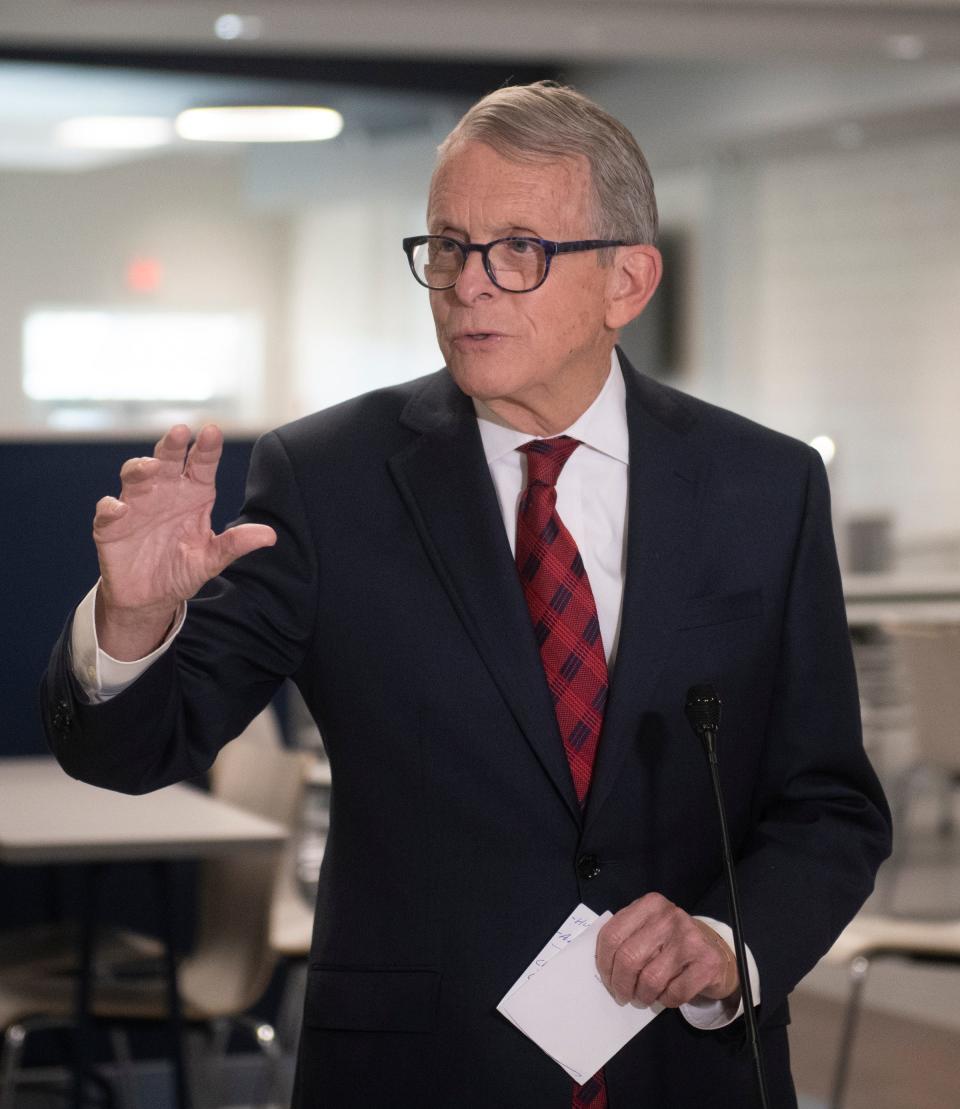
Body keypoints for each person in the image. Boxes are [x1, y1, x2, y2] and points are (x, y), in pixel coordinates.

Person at [42, 81, 891, 1108]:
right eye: (447, 246)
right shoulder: (327, 478)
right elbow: (135, 752)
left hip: (691, 1069)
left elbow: (829, 805)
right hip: (420, 1069)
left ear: (628, 279)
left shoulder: (767, 485)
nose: (467, 285)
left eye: (518, 248)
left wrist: (724, 941)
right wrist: (132, 619)